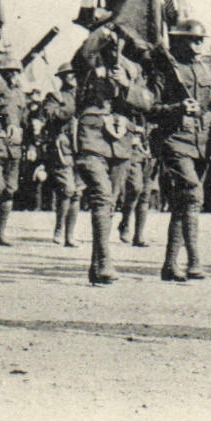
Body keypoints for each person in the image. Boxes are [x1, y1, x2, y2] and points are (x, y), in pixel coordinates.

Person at [150, 19, 211, 282]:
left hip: (201, 143)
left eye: (201, 39)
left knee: (184, 203)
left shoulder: (209, 71)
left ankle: (170, 264)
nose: (200, 45)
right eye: (193, 39)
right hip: (175, 140)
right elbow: (150, 108)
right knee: (192, 194)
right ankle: (194, 261)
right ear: (178, 41)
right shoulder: (165, 72)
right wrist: (177, 108)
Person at [70, 24, 155, 284]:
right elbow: (81, 56)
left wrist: (126, 86)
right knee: (102, 196)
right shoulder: (89, 61)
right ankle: (105, 262)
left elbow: (147, 102)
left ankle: (97, 266)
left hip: (121, 139)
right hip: (93, 137)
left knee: (111, 201)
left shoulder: (132, 68)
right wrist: (104, 27)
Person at [0, 51, 27, 245]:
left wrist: (31, 143)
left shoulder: (19, 95)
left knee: (10, 189)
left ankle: (1, 232)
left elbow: (24, 121)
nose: (14, 76)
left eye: (16, 72)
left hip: (14, 145)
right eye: (9, 72)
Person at [44, 61, 81, 246]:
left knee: (77, 193)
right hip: (63, 147)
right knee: (67, 189)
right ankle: (59, 228)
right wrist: (69, 108)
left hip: (82, 148)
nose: (73, 77)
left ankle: (70, 234)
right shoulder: (55, 96)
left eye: (75, 74)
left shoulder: (85, 95)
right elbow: (50, 115)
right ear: (62, 78)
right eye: (68, 74)